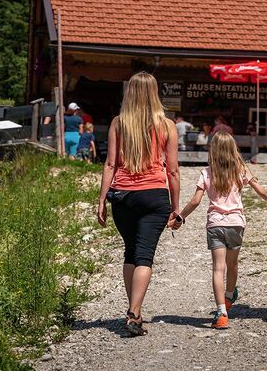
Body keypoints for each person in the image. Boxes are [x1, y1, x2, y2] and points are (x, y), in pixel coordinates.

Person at [96, 72, 181, 337]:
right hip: (154, 195)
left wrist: (101, 200)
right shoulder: (167, 125)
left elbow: (111, 163)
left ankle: (134, 310)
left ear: (129, 93)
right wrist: (176, 207)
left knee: (130, 252)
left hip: (122, 195)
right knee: (145, 255)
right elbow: (174, 170)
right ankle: (134, 313)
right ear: (155, 93)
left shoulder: (119, 123)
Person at [173, 132, 267, 329]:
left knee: (217, 268)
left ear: (213, 150)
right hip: (235, 224)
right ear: (232, 149)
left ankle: (221, 313)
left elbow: (196, 201)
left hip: (215, 224)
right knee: (233, 264)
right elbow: (258, 189)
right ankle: (229, 295)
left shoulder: (206, 172)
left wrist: (180, 217)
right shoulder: (241, 169)